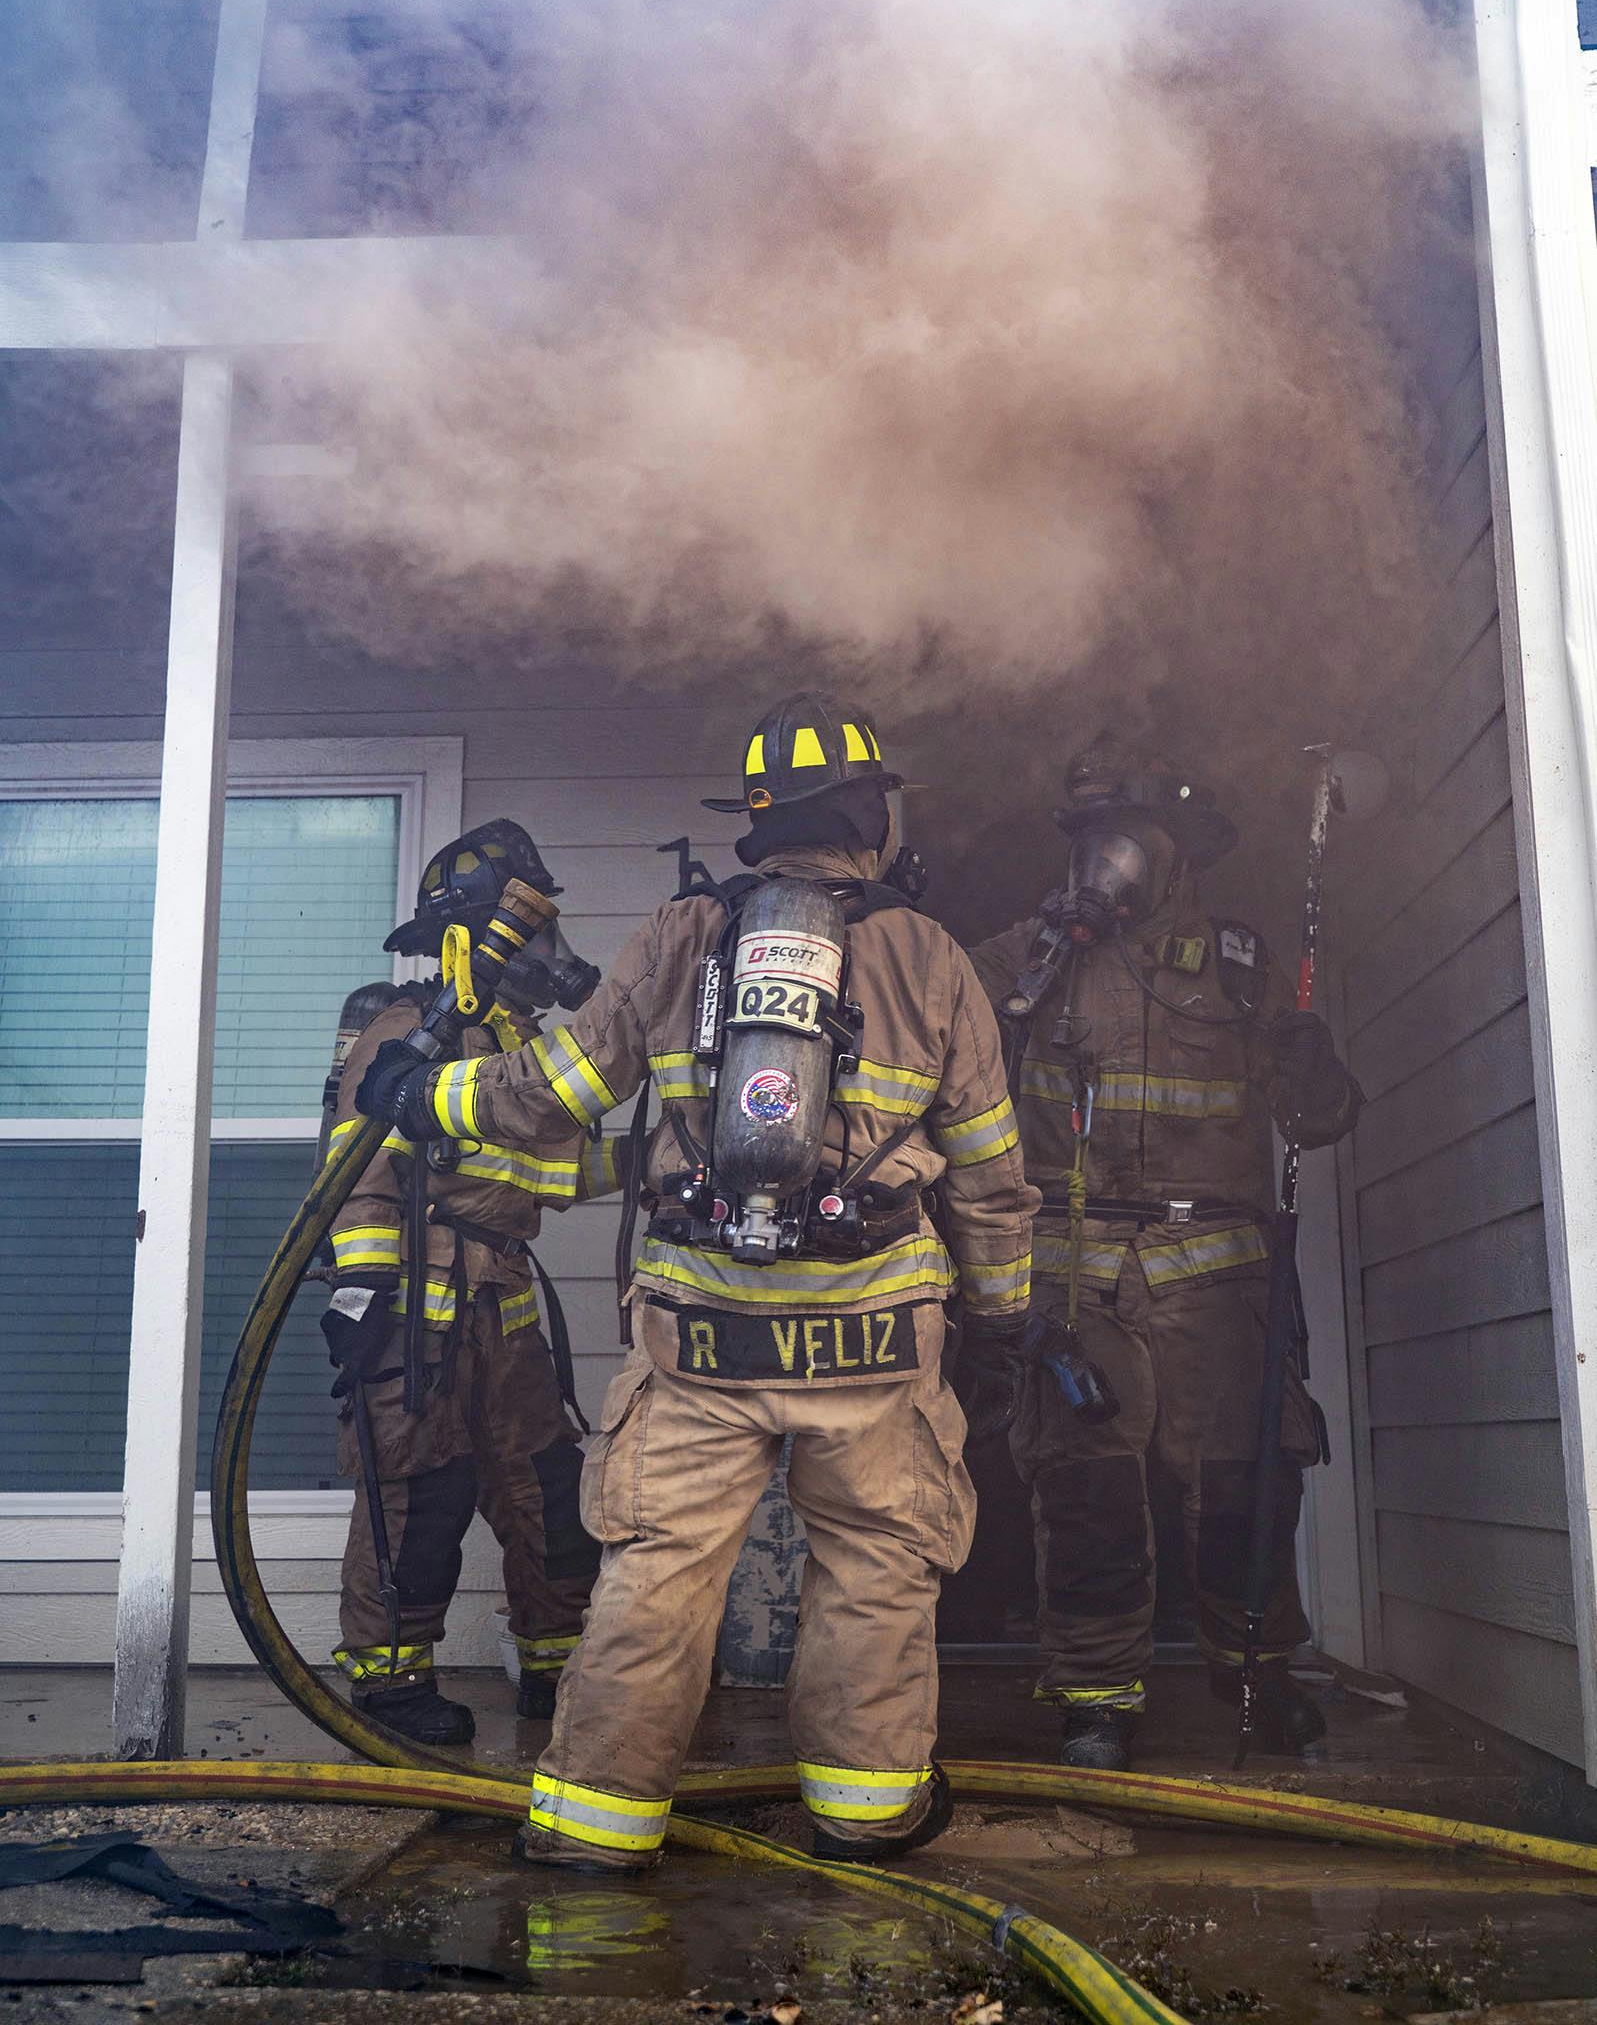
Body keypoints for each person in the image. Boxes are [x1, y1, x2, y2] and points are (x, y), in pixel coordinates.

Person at [357, 695, 1036, 1869]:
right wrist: (1012, 1315)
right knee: (875, 1567)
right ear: (872, 811)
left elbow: (553, 1087)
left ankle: (595, 1827)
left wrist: (427, 1098)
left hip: (700, 1333)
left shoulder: (679, 937)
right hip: (872, 1337)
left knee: (660, 1572)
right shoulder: (933, 958)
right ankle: (865, 1814)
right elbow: (989, 1170)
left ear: (757, 825)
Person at [969, 746, 1363, 1769]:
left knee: (1248, 1484)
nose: (1109, 862)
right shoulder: (1025, 956)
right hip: (1074, 1265)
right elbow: (931, 1033)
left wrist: (1312, 1063)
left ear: (1178, 855)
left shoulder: (1238, 963)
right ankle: (1096, 1697)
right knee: (1084, 1490)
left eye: (1128, 840)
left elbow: (1315, 1120)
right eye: (1093, 840)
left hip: (1215, 1268)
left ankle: (1258, 1672)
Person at [323, 820, 615, 1745]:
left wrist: (671, 1167)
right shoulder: (406, 1032)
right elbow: (353, 1171)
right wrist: (364, 1293)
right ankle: (390, 1688)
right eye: (526, 931)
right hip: (417, 1314)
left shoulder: (510, 1037)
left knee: (547, 1489)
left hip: (505, 1309)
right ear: (472, 937)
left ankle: (555, 1667)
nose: (545, 955)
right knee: (418, 1498)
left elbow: (559, 1166)